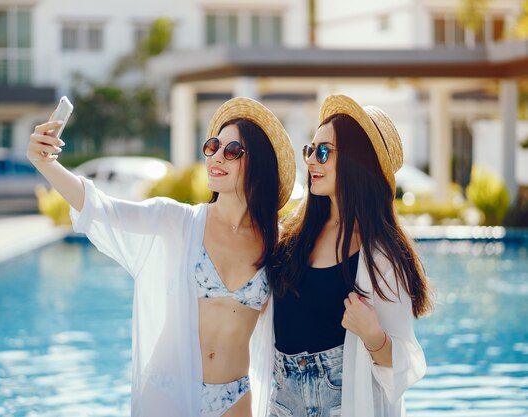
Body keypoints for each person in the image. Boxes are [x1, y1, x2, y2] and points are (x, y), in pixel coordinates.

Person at [27, 97, 296, 417]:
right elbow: (100, 208)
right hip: (170, 387)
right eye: (212, 146)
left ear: (259, 164)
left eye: (232, 150)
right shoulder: (178, 221)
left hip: (234, 396)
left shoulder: (278, 243)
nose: (216, 157)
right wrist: (46, 163)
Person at [267, 94, 434, 417]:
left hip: (343, 405)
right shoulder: (292, 238)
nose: (312, 160)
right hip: (283, 404)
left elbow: (404, 366)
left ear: (357, 161)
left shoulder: (381, 256)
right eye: (310, 150)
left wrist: (372, 335)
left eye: (324, 151)